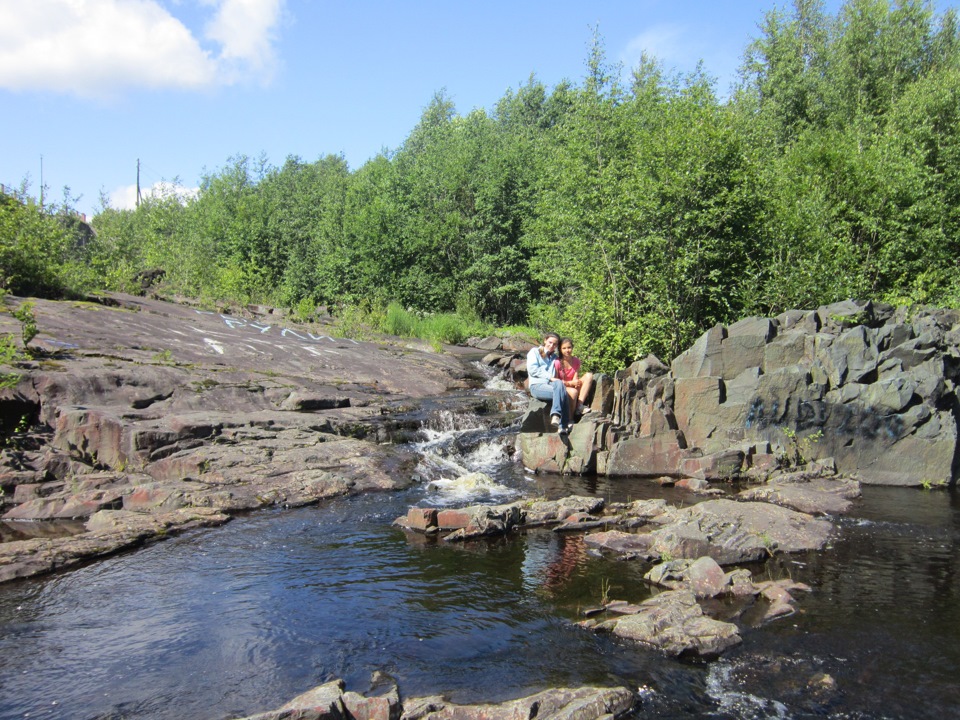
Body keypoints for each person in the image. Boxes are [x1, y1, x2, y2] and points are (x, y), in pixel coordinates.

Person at [526, 332, 571, 433]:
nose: (551, 346)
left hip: (551, 386)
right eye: (550, 342)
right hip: (537, 386)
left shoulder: (555, 358)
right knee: (563, 393)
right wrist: (550, 377)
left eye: (555, 344)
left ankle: (556, 416)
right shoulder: (534, 352)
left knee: (560, 385)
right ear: (545, 340)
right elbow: (533, 369)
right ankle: (563, 424)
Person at [554, 338, 594, 421]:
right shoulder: (557, 362)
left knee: (589, 375)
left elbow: (575, 377)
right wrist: (570, 383)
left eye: (569, 347)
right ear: (560, 350)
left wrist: (576, 383)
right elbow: (556, 381)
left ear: (572, 348)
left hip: (572, 384)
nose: (567, 350)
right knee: (573, 392)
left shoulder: (576, 360)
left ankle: (579, 405)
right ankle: (570, 419)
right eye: (564, 348)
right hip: (563, 386)